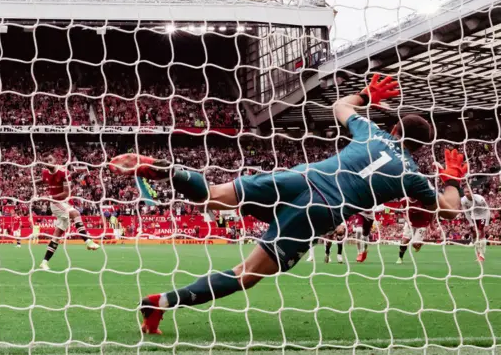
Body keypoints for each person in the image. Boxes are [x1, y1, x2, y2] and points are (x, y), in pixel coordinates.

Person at [108, 74, 465, 335]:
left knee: (213, 195)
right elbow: (449, 210)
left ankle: (163, 170)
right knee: (245, 274)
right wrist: (452, 178)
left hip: (299, 177)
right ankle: (161, 302)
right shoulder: (412, 174)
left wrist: (366, 94)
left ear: (397, 129)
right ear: (419, 148)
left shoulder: (372, 132)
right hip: (319, 210)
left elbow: (339, 105)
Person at [35, 154, 99, 271]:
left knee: (57, 236)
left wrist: (48, 196)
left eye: (50, 159)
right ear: (44, 164)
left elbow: (65, 193)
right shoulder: (45, 172)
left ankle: (44, 262)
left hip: (63, 201)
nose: (49, 162)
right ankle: (87, 241)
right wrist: (32, 182)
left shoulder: (64, 173)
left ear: (55, 160)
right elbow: (44, 180)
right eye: (46, 161)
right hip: (55, 204)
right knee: (75, 214)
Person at [397, 198, 433, 264]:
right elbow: (404, 213)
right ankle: (400, 258)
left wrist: (432, 223)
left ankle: (420, 244)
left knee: (415, 245)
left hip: (422, 223)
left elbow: (432, 211)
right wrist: (408, 221)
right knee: (404, 241)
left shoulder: (422, 199)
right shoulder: (403, 201)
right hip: (410, 223)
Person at [461, 187, 491, 261]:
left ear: (472, 192)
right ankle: (478, 253)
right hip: (473, 216)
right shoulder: (463, 200)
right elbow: (466, 212)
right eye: (465, 192)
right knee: (474, 234)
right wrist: (471, 223)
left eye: (468, 192)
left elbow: (487, 210)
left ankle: (482, 255)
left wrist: (486, 223)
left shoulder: (480, 199)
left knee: (480, 232)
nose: (466, 194)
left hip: (483, 215)